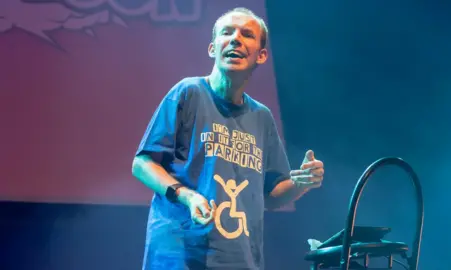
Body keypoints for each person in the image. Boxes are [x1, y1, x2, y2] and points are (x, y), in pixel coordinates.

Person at [132, 7, 325, 270]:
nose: (235, 39)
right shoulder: (188, 93)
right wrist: (187, 196)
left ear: (262, 54)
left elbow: (270, 195)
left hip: (240, 259)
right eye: (227, 33)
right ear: (213, 48)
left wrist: (301, 183)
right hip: (179, 255)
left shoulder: (262, 117)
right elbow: (142, 164)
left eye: (247, 34)